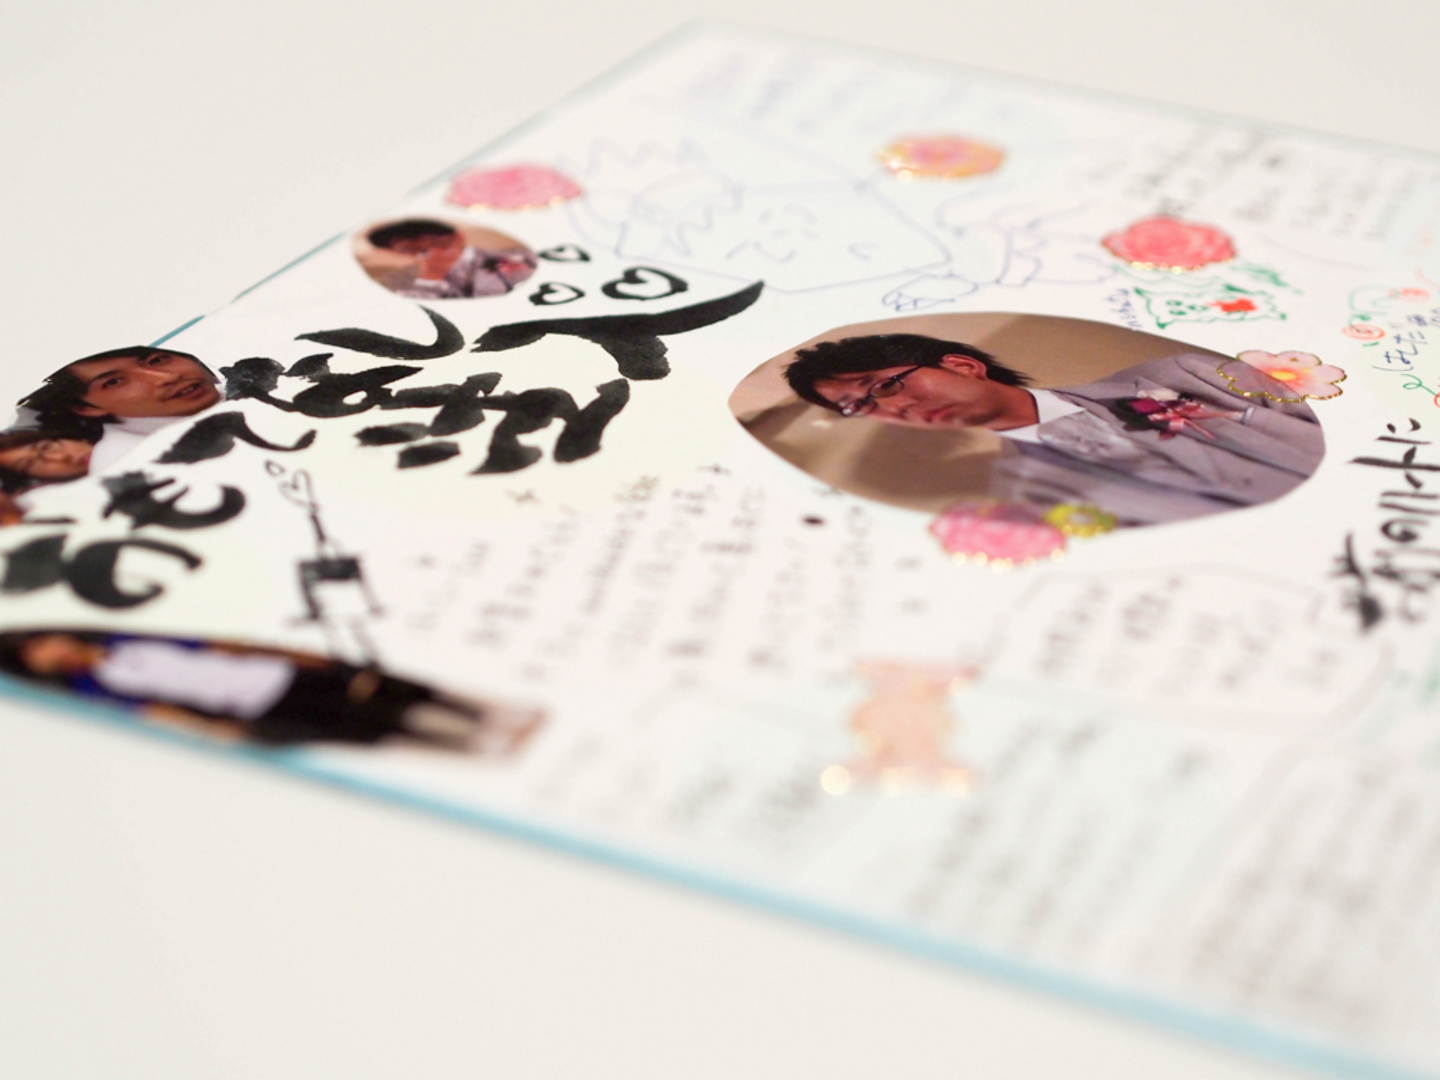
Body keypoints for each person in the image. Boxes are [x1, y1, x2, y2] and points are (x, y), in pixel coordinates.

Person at [783, 333, 1324, 526]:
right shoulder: (1029, 497)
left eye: (882, 385)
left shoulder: (1178, 374)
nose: (891, 408)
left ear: (963, 366)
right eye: (859, 407)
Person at [0, 630, 544, 755]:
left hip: (273, 674)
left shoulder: (123, 637)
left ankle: (490, 714)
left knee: (390, 692)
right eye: (39, 658)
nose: (51, 653)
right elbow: (157, 708)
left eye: (44, 644)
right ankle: (468, 744)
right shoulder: (93, 686)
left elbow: (217, 643)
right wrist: (220, 729)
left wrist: (293, 654)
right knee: (367, 728)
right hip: (255, 703)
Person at [19, 346, 222, 473]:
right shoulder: (127, 466)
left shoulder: (229, 389)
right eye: (114, 382)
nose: (167, 377)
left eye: (157, 360)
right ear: (86, 408)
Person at [365, 219, 536, 299]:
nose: (430, 252)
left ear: (458, 237)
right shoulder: (397, 282)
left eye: (437, 243)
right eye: (410, 250)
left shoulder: (521, 255)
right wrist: (430, 276)